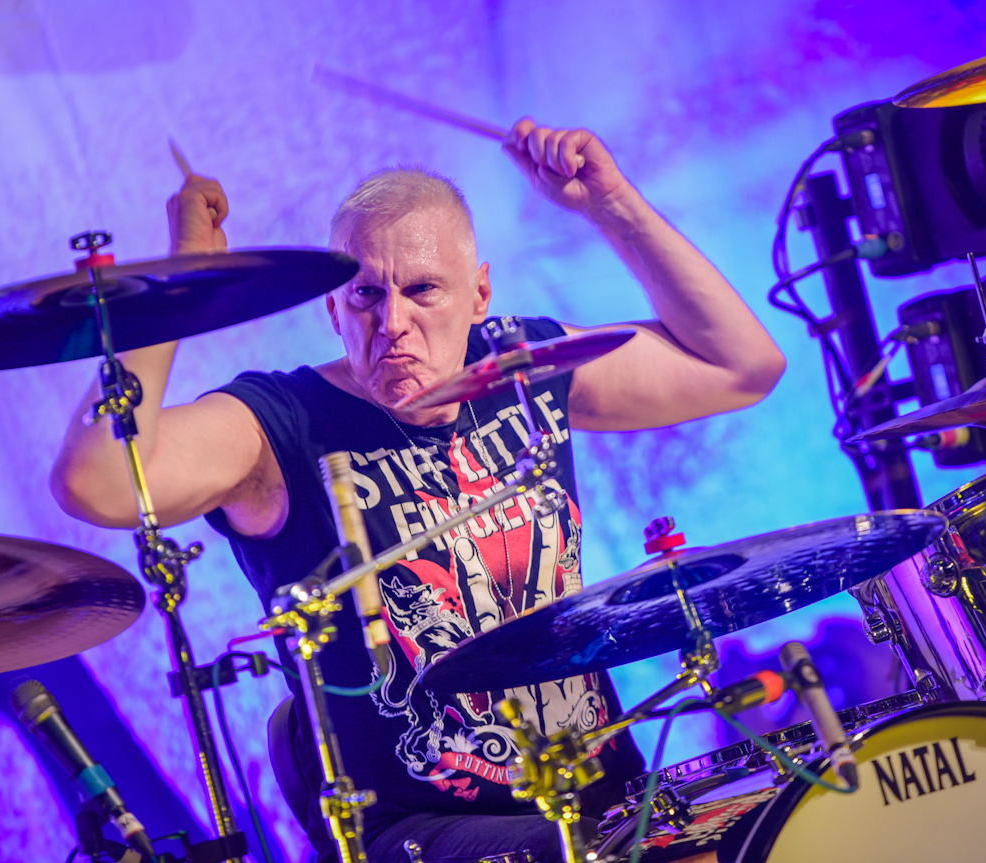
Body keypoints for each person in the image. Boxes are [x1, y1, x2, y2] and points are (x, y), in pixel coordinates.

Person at [52, 118, 786, 862]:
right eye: (365, 294)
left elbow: (743, 365)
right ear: (333, 310)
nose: (392, 321)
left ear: (480, 294)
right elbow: (96, 481)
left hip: (605, 791)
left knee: (789, 804)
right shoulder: (279, 424)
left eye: (423, 289)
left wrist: (611, 202)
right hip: (421, 831)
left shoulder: (521, 365)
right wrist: (177, 285)